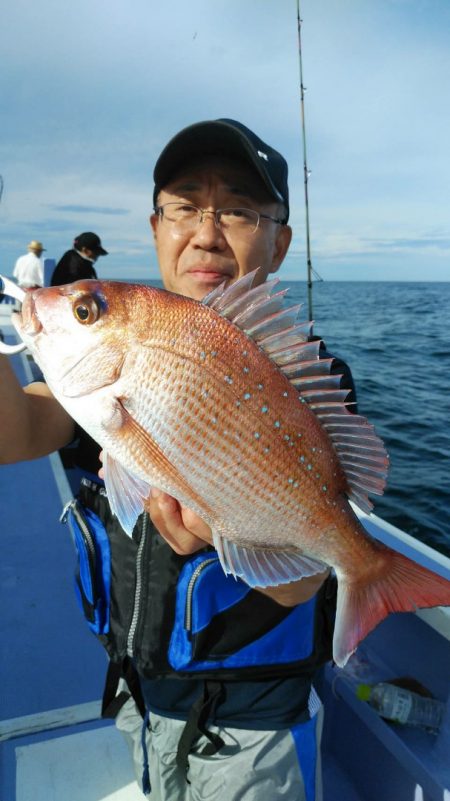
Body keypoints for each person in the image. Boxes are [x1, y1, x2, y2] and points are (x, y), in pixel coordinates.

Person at [0, 119, 357, 801]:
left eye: (240, 211)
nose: (207, 233)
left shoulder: (312, 382)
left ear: (281, 242)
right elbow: (11, 430)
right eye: (185, 206)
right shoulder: (112, 364)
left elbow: (303, 584)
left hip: (254, 726)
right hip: (140, 700)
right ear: (156, 228)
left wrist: (228, 535)